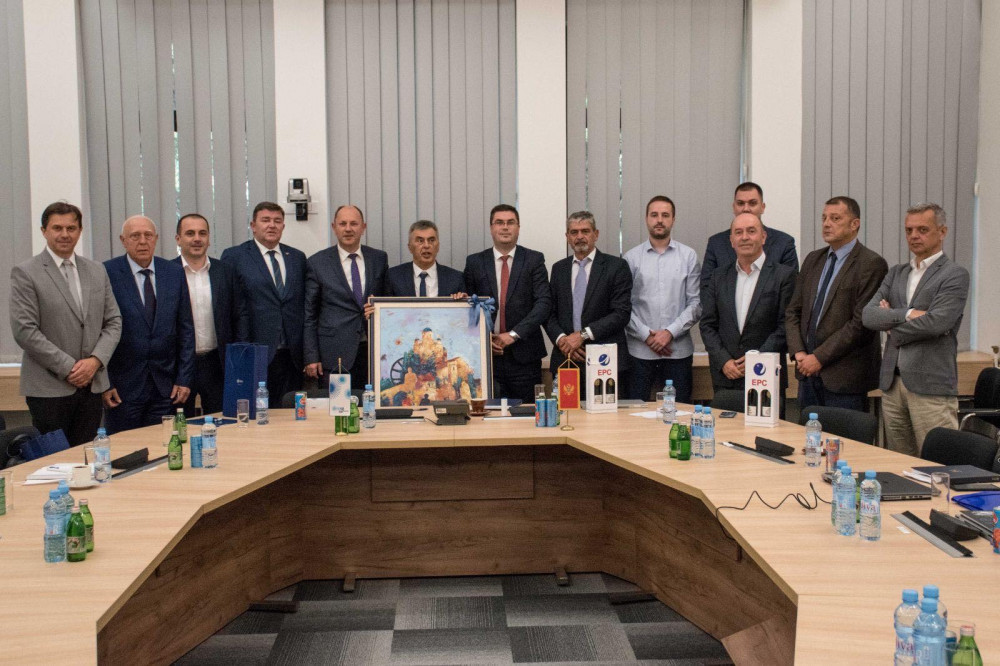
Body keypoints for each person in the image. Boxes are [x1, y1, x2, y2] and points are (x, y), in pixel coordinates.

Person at [9, 202, 122, 446]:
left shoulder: (97, 270)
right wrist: (70, 368)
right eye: (57, 228)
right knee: (54, 461)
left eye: (71, 228)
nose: (64, 234)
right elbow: (25, 330)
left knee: (87, 458)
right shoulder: (26, 272)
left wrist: (95, 361)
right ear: (44, 231)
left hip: (92, 386)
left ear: (80, 231)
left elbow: (113, 321)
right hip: (49, 388)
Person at [862, 203, 970, 456]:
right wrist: (908, 314)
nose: (914, 236)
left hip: (930, 385)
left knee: (938, 462)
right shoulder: (897, 273)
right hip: (892, 383)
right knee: (899, 461)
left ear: (942, 232)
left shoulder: (954, 274)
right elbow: (869, 315)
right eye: (909, 230)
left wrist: (891, 327)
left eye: (922, 229)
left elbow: (937, 323)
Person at [785, 197, 888, 412]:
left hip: (845, 378)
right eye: (824, 218)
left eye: (835, 218)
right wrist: (799, 352)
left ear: (854, 224)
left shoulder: (871, 264)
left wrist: (819, 357)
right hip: (807, 373)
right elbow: (793, 311)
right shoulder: (813, 259)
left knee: (843, 434)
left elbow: (861, 323)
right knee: (807, 433)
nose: (826, 224)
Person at [103, 216, 194, 433]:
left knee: (163, 446)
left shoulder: (174, 272)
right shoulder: (107, 273)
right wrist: (105, 383)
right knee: (125, 449)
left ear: (156, 239)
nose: (143, 241)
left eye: (148, 235)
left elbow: (186, 329)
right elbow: (98, 331)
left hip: (166, 387)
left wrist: (184, 378)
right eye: (135, 236)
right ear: (123, 240)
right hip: (122, 388)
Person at [699, 213, 795, 416]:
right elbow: (707, 325)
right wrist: (723, 360)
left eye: (751, 231)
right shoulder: (718, 277)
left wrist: (756, 359)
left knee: (768, 434)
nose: (744, 237)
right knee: (725, 433)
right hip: (727, 375)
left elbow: (786, 325)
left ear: (763, 237)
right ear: (731, 240)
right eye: (738, 232)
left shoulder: (783, 276)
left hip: (766, 374)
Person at [463, 204, 551, 403]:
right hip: (486, 357)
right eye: (499, 222)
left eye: (510, 222)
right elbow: (469, 307)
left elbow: (543, 304)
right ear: (491, 228)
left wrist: (513, 335)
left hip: (525, 357)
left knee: (525, 414)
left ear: (518, 228)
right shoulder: (475, 262)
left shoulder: (534, 260)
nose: (505, 227)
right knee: (486, 414)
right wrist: (486, 339)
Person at [221, 202, 307, 405]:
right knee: (257, 412)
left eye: (277, 221)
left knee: (290, 412)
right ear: (253, 225)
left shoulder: (297, 257)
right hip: (254, 351)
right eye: (265, 220)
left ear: (283, 226)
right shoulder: (235, 256)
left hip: (292, 354)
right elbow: (229, 307)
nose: (272, 225)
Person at [624, 196, 701, 402]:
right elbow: (623, 307)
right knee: (634, 412)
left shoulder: (688, 256)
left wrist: (669, 332)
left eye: (665, 215)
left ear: (673, 219)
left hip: (678, 351)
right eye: (654, 215)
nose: (659, 220)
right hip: (639, 351)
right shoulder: (631, 258)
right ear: (646, 219)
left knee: (680, 411)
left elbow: (695, 304)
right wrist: (647, 336)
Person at [546, 211, 632, 393]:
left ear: (596, 234)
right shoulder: (559, 269)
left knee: (607, 411)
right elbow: (549, 312)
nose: (579, 237)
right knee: (567, 410)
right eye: (574, 232)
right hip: (566, 358)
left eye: (585, 231)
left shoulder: (616, 267)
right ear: (567, 237)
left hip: (605, 361)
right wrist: (563, 341)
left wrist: (582, 336)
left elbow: (621, 313)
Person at [304, 205, 388, 391]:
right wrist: (311, 356)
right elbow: (309, 314)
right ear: (334, 227)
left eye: (354, 224)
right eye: (342, 224)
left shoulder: (379, 259)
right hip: (334, 352)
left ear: (363, 227)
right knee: (337, 405)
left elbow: (386, 300)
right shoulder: (317, 263)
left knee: (370, 403)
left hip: (372, 350)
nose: (348, 229)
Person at [172, 213, 248, 416]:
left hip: (217, 362)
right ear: (178, 239)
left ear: (208, 238)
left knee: (222, 420)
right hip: (180, 364)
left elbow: (240, 315)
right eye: (190, 233)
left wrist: (238, 356)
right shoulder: (167, 272)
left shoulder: (225, 271)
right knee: (181, 422)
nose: (197, 239)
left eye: (202, 233)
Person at [701, 182, 798, 288]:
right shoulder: (716, 243)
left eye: (752, 203)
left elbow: (791, 287)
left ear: (762, 207)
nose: (746, 208)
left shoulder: (784, 243)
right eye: (740, 203)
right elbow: (706, 287)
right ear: (734, 207)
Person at [386, 220, 465, 297]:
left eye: (431, 240)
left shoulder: (456, 278)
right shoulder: (393, 276)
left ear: (438, 246)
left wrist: (462, 300)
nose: (426, 245)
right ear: (410, 247)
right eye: (420, 241)